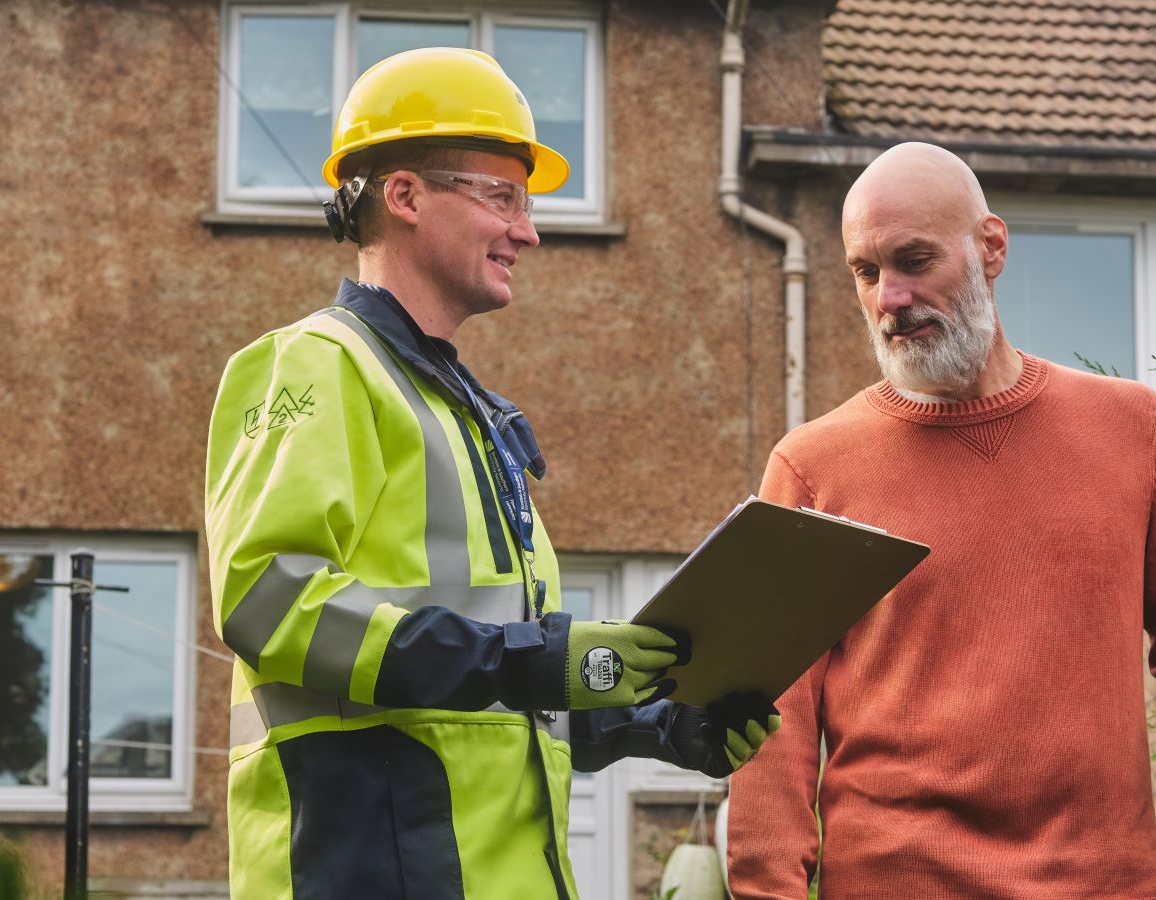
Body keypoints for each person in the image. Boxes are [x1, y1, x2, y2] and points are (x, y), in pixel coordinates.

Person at [204, 48, 778, 899]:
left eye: (528, 202)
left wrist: (662, 724)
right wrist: (539, 659)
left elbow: (501, 698)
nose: (528, 229)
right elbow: (268, 601)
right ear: (403, 196)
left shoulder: (468, 416)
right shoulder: (314, 365)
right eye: (501, 196)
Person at [725, 141, 1156, 897]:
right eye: (867, 273)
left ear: (991, 247)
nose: (890, 299)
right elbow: (770, 718)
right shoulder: (813, 466)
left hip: (1108, 883)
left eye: (915, 261)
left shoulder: (1128, 425)